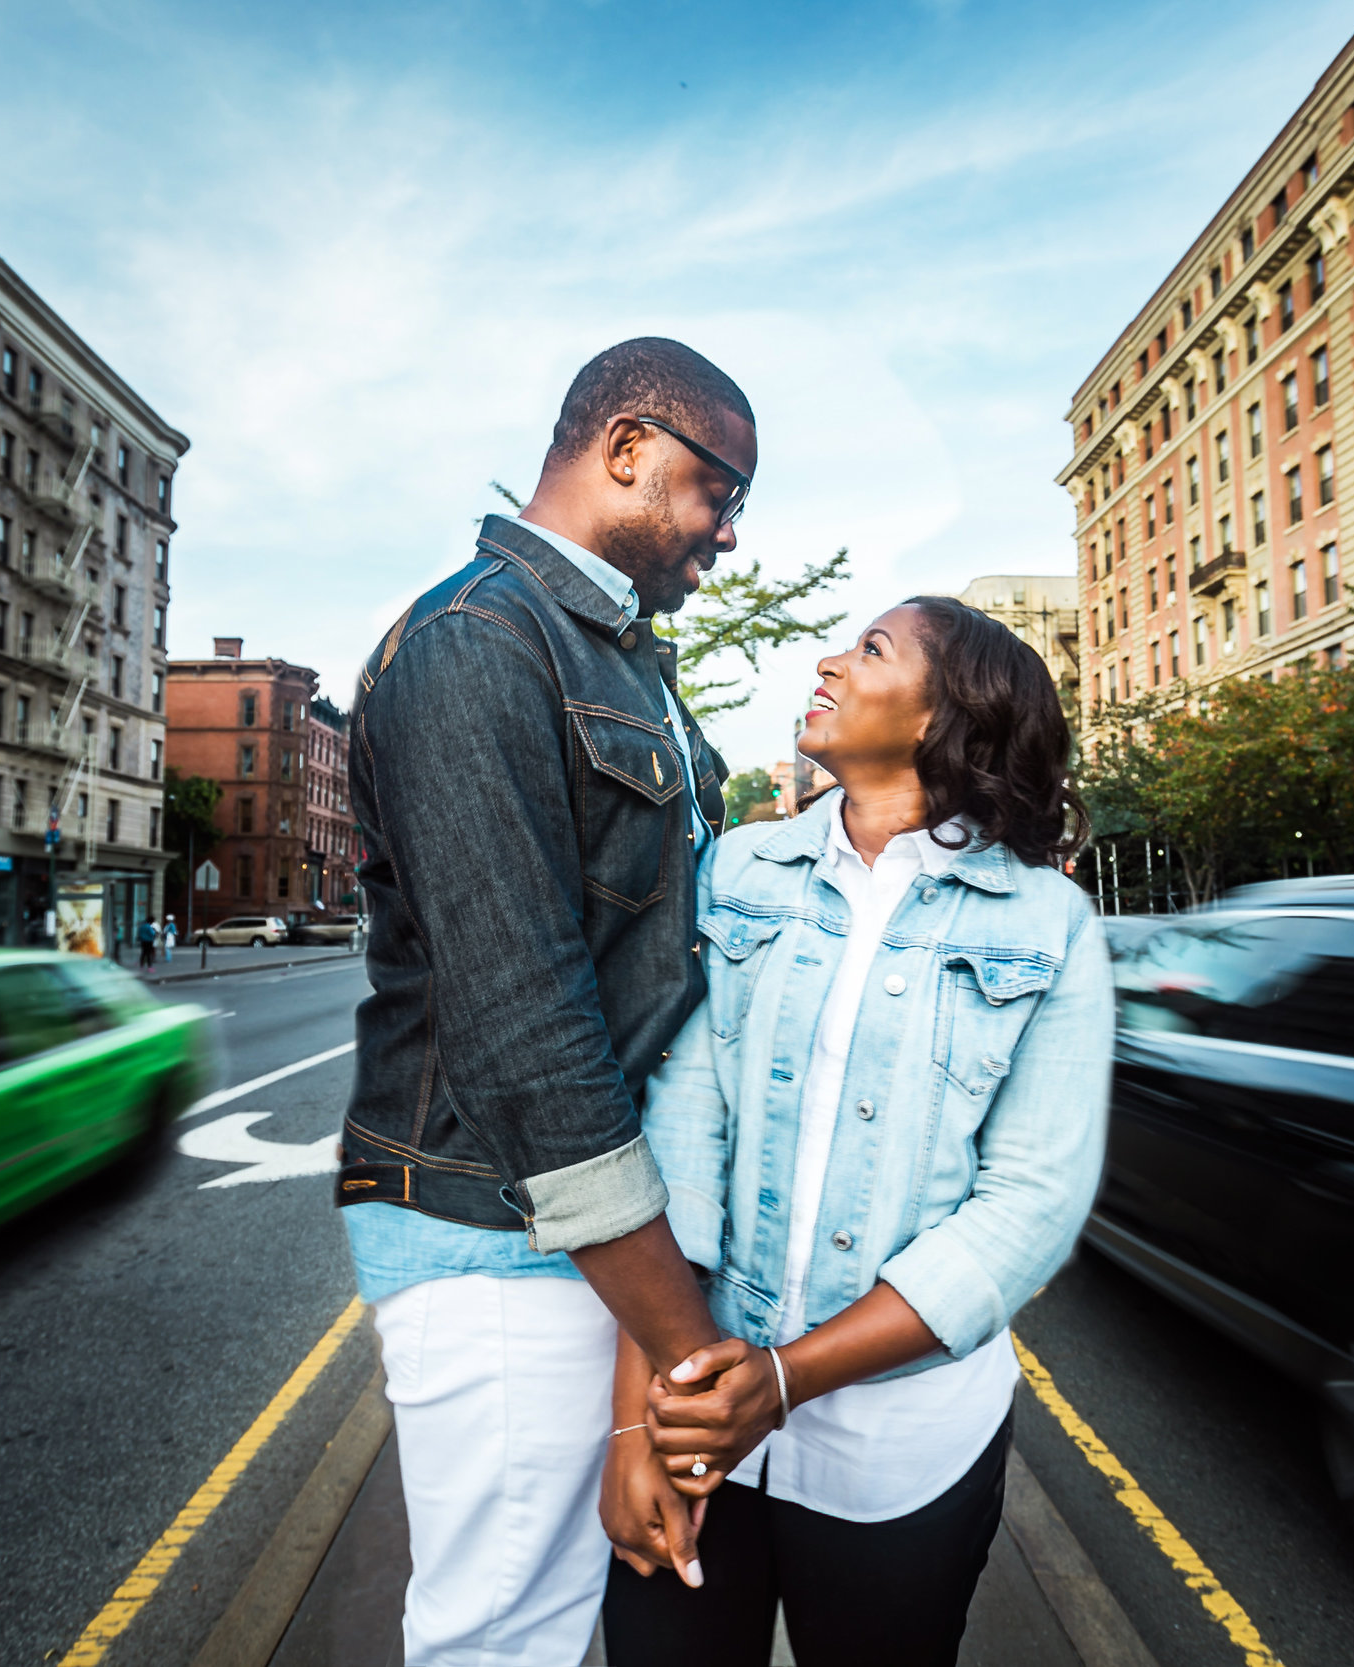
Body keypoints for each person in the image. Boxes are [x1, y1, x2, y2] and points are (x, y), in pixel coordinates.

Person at [337, 338, 758, 1663]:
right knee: (503, 1636)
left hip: (577, 1242)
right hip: (491, 1227)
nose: (730, 535)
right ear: (625, 447)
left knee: (569, 1615)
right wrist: (690, 1349)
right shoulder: (476, 639)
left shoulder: (617, 656)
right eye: (719, 488)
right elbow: (524, 1027)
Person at [600, 598, 1110, 1666]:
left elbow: (1029, 1206)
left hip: (905, 1450)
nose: (829, 659)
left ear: (942, 715)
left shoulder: (1047, 923)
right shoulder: (739, 872)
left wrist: (785, 1378)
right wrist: (639, 1417)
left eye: (871, 648)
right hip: (697, 1416)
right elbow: (681, 1129)